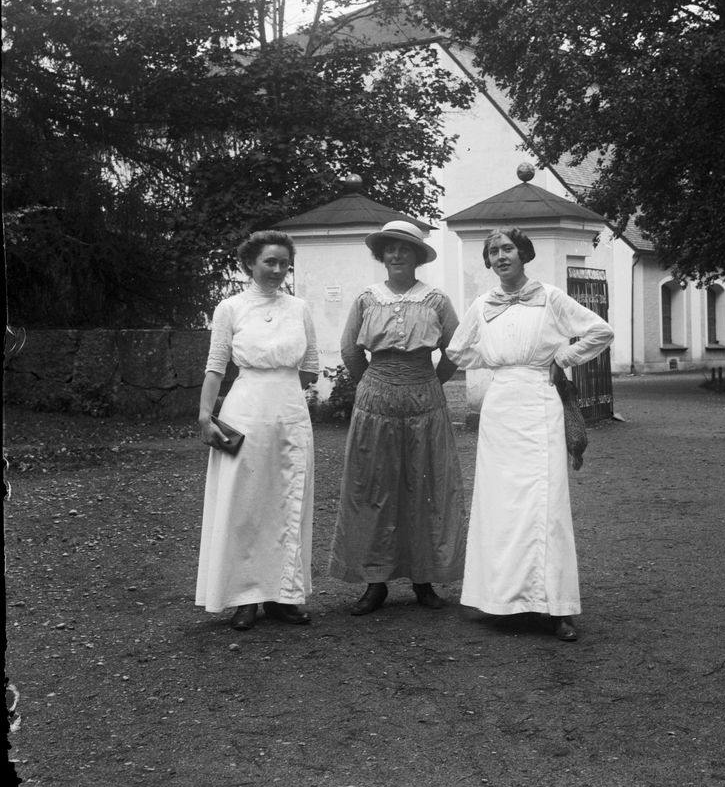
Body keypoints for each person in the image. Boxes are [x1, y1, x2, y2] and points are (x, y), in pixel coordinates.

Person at [446, 227, 614, 641]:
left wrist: (563, 357)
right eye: (493, 252)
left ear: (523, 253)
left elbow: (600, 331)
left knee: (546, 504)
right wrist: (493, 358)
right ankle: (504, 601)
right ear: (488, 261)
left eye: (508, 249)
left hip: (540, 401)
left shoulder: (551, 297)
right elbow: (457, 351)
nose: (501, 256)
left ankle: (557, 608)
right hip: (500, 406)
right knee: (501, 504)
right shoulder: (483, 304)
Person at [329, 220, 467, 615]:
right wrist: (375, 383)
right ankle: (375, 583)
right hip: (376, 401)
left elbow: (456, 349)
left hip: (425, 399)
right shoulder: (366, 300)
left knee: (425, 486)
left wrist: (429, 381)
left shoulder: (436, 300)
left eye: (405, 249)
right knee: (374, 488)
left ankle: (424, 580)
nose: (397, 255)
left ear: (418, 256)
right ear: (382, 255)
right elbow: (350, 350)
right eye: (390, 248)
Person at [196, 230, 319, 631]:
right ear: (250, 263)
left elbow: (310, 365)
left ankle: (282, 595)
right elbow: (216, 365)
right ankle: (244, 597)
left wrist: (282, 394)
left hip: (290, 413)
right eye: (270, 261)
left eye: (284, 263)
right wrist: (205, 416)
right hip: (245, 412)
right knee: (246, 504)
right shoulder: (230, 308)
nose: (278, 270)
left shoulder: (299, 307)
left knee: (287, 501)